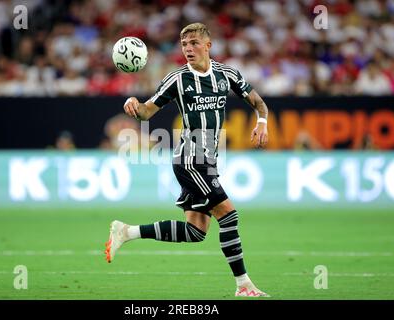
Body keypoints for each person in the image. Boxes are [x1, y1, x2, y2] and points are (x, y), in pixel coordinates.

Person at [105, 23, 270, 297]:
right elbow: (147, 113)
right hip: (189, 159)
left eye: (194, 43)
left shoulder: (226, 74)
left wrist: (262, 122)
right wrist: (134, 104)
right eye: (184, 45)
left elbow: (258, 103)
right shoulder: (177, 79)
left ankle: (127, 231)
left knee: (196, 231)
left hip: (209, 160)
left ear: (208, 45)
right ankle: (244, 286)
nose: (188, 49)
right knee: (228, 215)